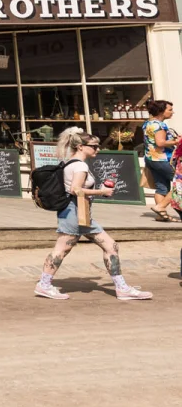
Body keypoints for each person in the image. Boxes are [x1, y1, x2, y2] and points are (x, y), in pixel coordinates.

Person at [34, 129, 151, 301]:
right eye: (94, 146)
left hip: (79, 213)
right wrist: (101, 191)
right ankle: (44, 285)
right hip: (74, 212)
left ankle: (121, 287)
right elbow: (75, 189)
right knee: (62, 249)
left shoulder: (72, 163)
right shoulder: (80, 165)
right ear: (81, 147)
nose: (97, 149)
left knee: (110, 246)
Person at [141, 99, 178, 221]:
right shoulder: (159, 125)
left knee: (162, 187)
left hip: (151, 159)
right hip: (162, 159)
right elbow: (160, 143)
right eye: (170, 110)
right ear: (161, 111)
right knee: (179, 184)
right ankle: (161, 207)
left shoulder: (148, 123)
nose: (172, 112)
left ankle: (160, 215)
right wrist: (176, 141)